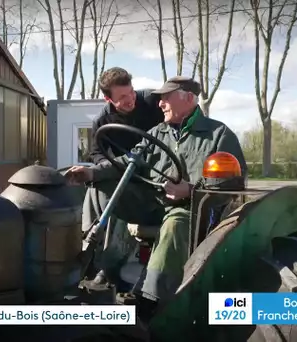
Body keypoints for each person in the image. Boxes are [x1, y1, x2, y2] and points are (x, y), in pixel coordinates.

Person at [66, 76, 247, 310]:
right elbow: (128, 161)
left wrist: (190, 190)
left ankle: (151, 299)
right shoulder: (157, 132)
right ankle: (98, 265)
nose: (160, 104)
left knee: (174, 223)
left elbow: (231, 184)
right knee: (101, 186)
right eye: (160, 99)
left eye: (166, 98)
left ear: (189, 98)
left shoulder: (219, 134)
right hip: (153, 203)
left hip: (191, 211)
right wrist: (92, 173)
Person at [81, 67, 164, 284]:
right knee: (97, 185)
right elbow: (96, 152)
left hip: (159, 175)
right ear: (107, 99)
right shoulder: (103, 121)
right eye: (122, 98)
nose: (130, 100)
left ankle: (106, 260)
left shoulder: (153, 103)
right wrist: (106, 167)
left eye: (131, 92)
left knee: (101, 184)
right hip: (126, 176)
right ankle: (98, 253)